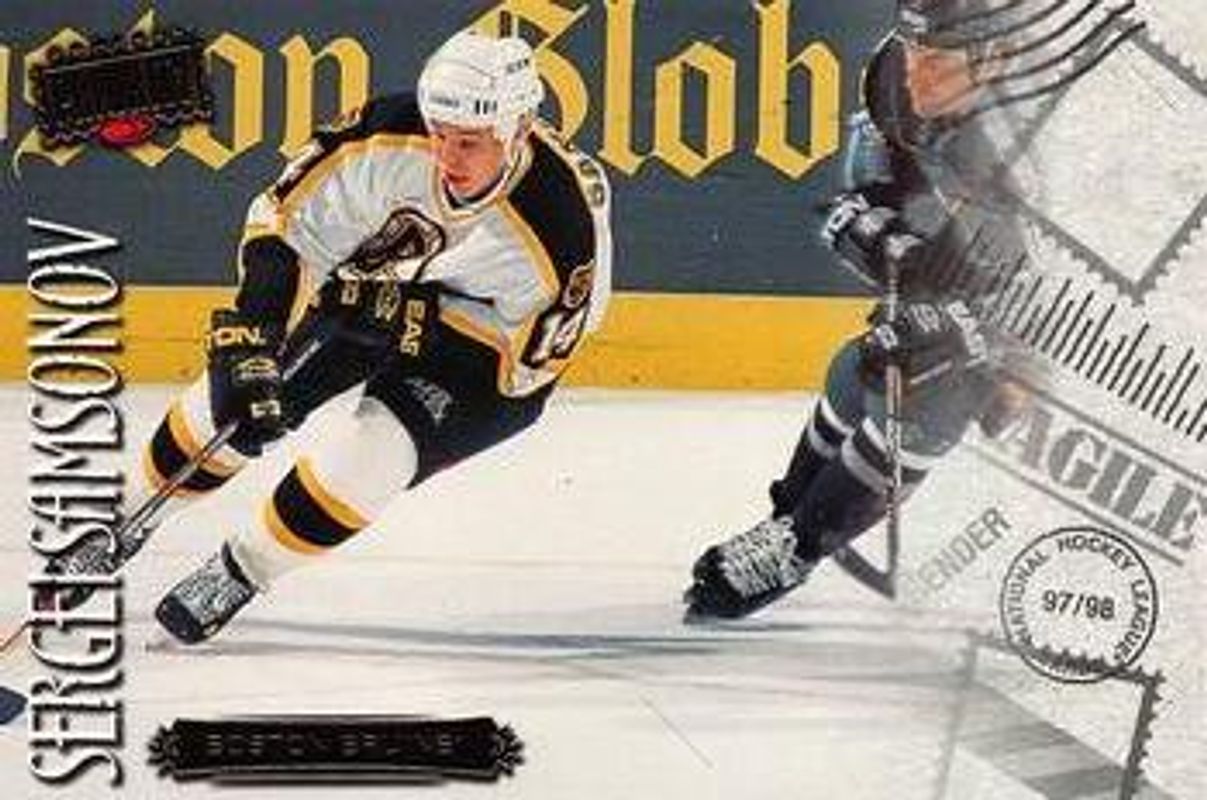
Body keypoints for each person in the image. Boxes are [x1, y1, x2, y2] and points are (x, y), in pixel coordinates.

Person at [50, 30, 613, 643]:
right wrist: (256, 335)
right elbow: (286, 223)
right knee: (234, 407)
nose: (447, 158)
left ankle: (243, 569)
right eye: (438, 134)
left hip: (482, 350)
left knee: (371, 458)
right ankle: (119, 520)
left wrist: (418, 324)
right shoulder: (383, 135)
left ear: (519, 129)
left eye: (469, 143)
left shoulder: (561, 229)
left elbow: (525, 368)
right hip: (375, 285)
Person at [683, 0, 1043, 619]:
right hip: (980, 274)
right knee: (866, 367)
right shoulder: (891, 76)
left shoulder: (1041, 139)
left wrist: (1002, 362)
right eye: (912, 51)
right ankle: (787, 526)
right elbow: (863, 196)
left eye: (938, 61)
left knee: (935, 387)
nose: (916, 74)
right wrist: (878, 238)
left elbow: (1073, 301)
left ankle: (797, 546)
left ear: (997, 59)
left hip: (1078, 335)